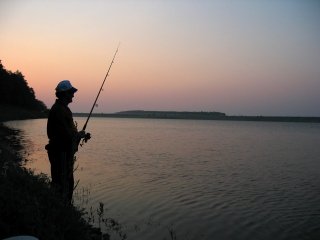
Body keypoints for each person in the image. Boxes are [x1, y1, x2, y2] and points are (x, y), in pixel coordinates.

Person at [45, 80, 90, 203]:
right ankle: (62, 211)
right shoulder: (59, 110)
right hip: (60, 152)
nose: (73, 95)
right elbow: (65, 134)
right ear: (65, 94)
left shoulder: (62, 109)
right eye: (71, 92)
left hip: (62, 151)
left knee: (63, 182)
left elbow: (68, 133)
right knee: (63, 183)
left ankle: (62, 209)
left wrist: (78, 136)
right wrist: (79, 135)